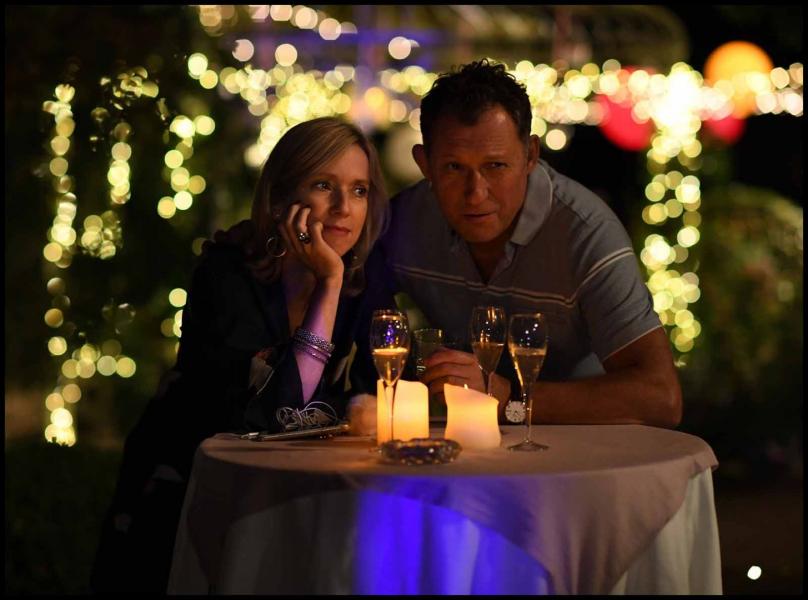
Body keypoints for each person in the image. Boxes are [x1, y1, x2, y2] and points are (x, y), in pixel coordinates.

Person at [91, 117, 394, 593]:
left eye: (359, 190)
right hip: (197, 493)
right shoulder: (227, 274)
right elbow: (278, 414)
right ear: (280, 198)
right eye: (323, 185)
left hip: (305, 496)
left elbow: (381, 395)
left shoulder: (365, 280)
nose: (343, 207)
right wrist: (328, 285)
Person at [376, 59, 682, 428]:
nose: (476, 194)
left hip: (585, 444)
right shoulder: (404, 222)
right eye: (454, 168)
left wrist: (506, 398)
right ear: (425, 164)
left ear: (531, 156)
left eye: (495, 166)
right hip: (465, 440)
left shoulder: (586, 234)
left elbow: (662, 398)